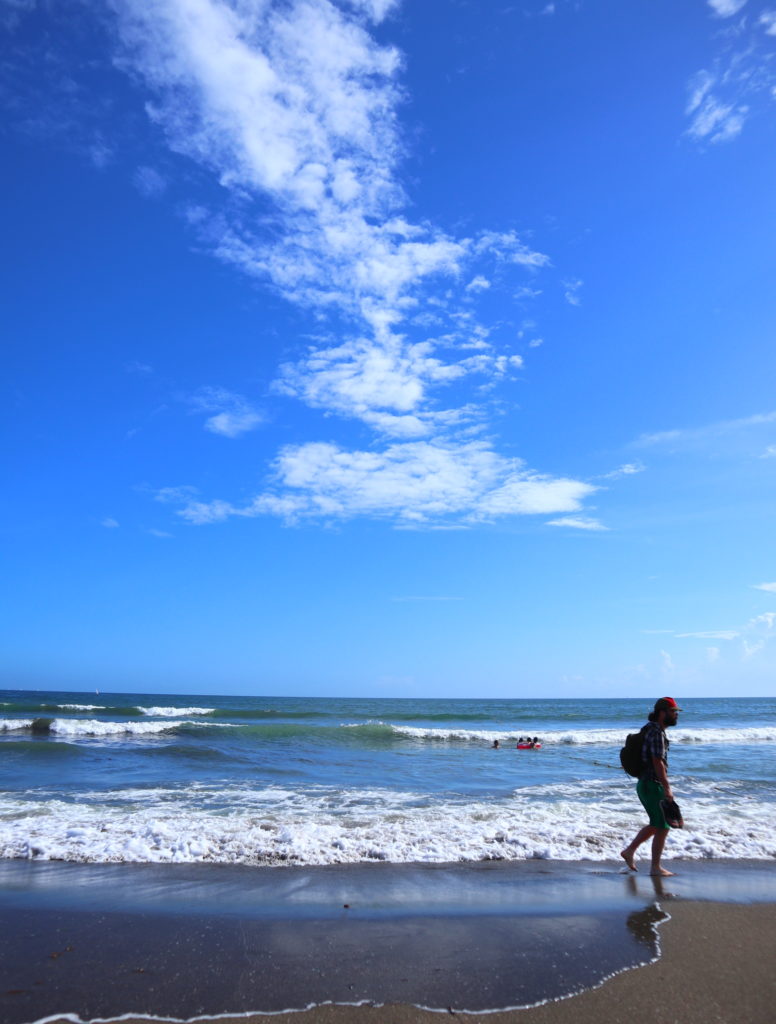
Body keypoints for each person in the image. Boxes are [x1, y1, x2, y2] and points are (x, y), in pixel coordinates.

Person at [620, 696, 682, 877]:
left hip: (644, 784)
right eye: (673, 712)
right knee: (663, 825)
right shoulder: (656, 732)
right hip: (652, 784)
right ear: (662, 713)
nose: (676, 715)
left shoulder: (648, 729)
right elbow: (657, 761)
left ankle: (630, 851)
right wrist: (667, 787)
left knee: (657, 824)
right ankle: (654, 867)